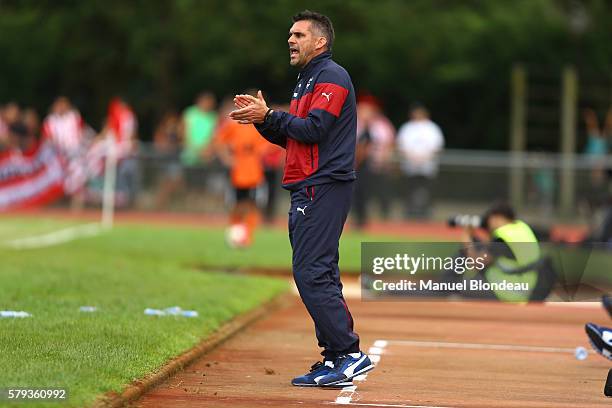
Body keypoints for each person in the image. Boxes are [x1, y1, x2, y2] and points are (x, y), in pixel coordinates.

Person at [228, 10, 374, 387]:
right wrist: (263, 120)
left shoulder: (331, 76)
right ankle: (335, 357)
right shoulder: (307, 79)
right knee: (319, 271)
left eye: (298, 35)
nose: (290, 40)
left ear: (320, 41)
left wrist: (270, 115)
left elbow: (314, 129)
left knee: (310, 271)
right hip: (311, 184)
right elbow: (293, 136)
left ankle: (349, 354)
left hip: (323, 184)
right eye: (290, 35)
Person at [442, 202, 552, 302]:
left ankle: (442, 288)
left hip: (507, 292)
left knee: (456, 286)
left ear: (496, 217)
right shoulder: (520, 228)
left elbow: (477, 263)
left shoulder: (504, 236)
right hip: (524, 288)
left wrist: (467, 240)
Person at [214, 97, 271, 247]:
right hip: (238, 172)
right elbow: (219, 140)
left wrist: (257, 153)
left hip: (254, 171)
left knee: (252, 205)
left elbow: (266, 145)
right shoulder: (234, 124)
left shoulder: (259, 124)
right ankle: (235, 232)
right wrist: (227, 158)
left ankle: (248, 236)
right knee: (237, 205)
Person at [396, 103, 444, 218]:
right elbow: (401, 146)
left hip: (427, 168)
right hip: (409, 167)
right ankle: (409, 213)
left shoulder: (432, 128)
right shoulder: (407, 128)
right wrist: (411, 157)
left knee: (427, 192)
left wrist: (424, 158)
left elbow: (437, 147)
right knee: (409, 191)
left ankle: (426, 214)